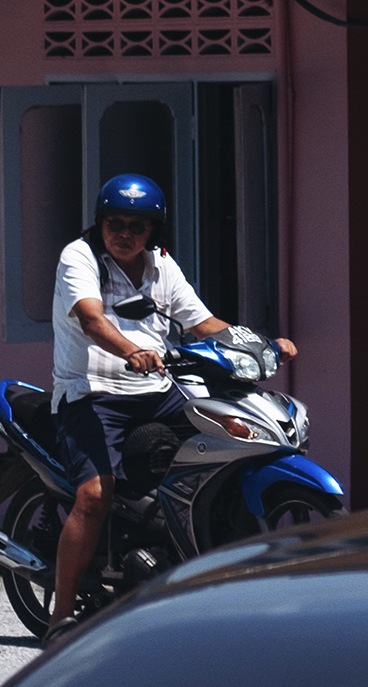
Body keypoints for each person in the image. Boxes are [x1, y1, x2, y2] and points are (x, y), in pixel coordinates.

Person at [46, 171, 298, 629]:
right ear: (100, 224)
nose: (124, 233)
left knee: (228, 444)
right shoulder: (79, 257)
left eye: (136, 226)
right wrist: (132, 351)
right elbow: (91, 319)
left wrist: (260, 344)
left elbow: (202, 322)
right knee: (93, 495)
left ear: (153, 232)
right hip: (93, 394)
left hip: (159, 391)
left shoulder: (162, 265)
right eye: (114, 223)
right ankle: (61, 618)